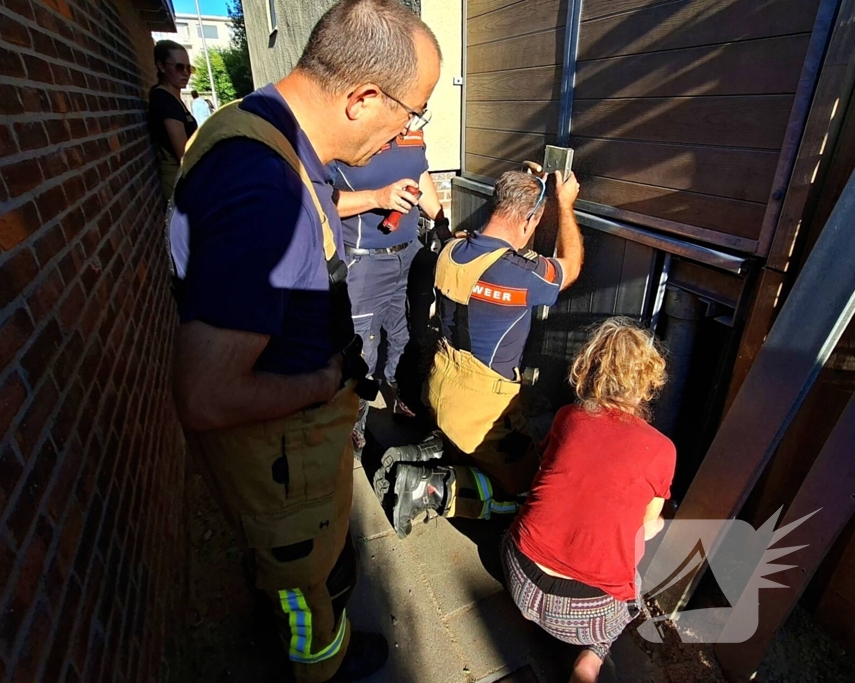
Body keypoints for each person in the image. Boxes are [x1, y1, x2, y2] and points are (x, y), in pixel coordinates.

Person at [169, 1, 441, 681]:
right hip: (278, 470)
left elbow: (297, 235)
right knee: (300, 589)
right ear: (364, 98)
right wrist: (325, 382)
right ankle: (322, 665)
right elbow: (205, 394)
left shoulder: (264, 131)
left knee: (307, 566)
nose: (409, 128)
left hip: (285, 467)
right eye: (413, 111)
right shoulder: (267, 189)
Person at [381, 167, 584, 537]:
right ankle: (430, 488)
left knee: (467, 440)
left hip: (441, 388)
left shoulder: (452, 249)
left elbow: (484, 266)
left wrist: (526, 187)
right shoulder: (517, 272)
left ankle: (428, 452)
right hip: (485, 414)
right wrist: (565, 205)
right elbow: (569, 270)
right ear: (528, 219)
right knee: (531, 495)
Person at [503, 317, 673, 683]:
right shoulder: (662, 450)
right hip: (586, 616)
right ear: (647, 385)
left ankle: (531, 617)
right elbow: (646, 528)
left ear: (589, 371)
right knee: (635, 579)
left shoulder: (568, 417)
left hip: (519, 578)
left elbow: (546, 474)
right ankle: (591, 660)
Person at [329, 130, 445, 450]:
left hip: (409, 253)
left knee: (406, 333)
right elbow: (320, 199)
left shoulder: (413, 132)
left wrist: (441, 221)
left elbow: (420, 171)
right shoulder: (344, 136)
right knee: (360, 344)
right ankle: (354, 417)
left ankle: (400, 396)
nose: (414, 117)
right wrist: (377, 198)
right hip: (364, 262)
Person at [148, 40, 198, 202]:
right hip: (179, 185)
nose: (186, 73)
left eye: (189, 68)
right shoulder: (164, 100)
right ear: (161, 66)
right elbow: (184, 153)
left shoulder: (173, 98)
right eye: (179, 67)